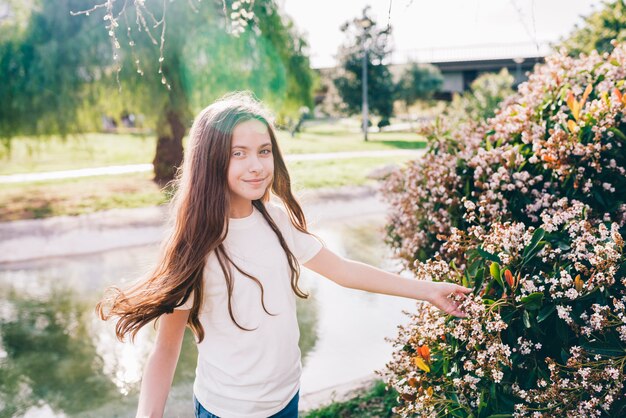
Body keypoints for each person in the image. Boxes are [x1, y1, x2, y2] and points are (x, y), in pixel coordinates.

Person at [97, 92, 471, 418]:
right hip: (227, 410)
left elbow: (341, 269)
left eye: (264, 151)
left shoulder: (276, 220)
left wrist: (426, 290)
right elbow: (166, 347)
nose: (256, 165)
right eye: (238, 154)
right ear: (210, 161)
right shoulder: (193, 248)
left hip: (285, 399)